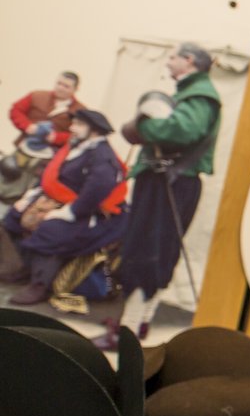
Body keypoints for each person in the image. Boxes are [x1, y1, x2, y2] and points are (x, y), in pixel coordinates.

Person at [94, 42, 221, 350]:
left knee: (148, 254)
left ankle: (126, 331)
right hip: (167, 182)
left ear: (189, 61)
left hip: (170, 183)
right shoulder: (193, 92)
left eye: (174, 57)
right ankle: (138, 322)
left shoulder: (200, 95)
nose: (169, 62)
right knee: (155, 252)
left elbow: (180, 132)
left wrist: (141, 123)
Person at [0, 109, 128, 306]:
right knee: (13, 217)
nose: (71, 128)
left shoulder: (102, 157)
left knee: (52, 230)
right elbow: (51, 176)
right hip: (63, 200)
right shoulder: (76, 146)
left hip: (96, 214)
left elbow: (96, 192)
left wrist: (67, 213)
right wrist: (29, 197)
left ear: (93, 130)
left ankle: (40, 285)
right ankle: (26, 268)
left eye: (77, 124)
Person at [2, 72, 84, 202]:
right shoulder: (37, 96)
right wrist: (28, 126)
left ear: (75, 89)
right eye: (59, 83)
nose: (61, 88)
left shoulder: (80, 111)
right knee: (8, 174)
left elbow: (78, 135)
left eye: (66, 86)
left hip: (48, 157)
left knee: (30, 190)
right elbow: (15, 110)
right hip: (24, 148)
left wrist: (56, 137)